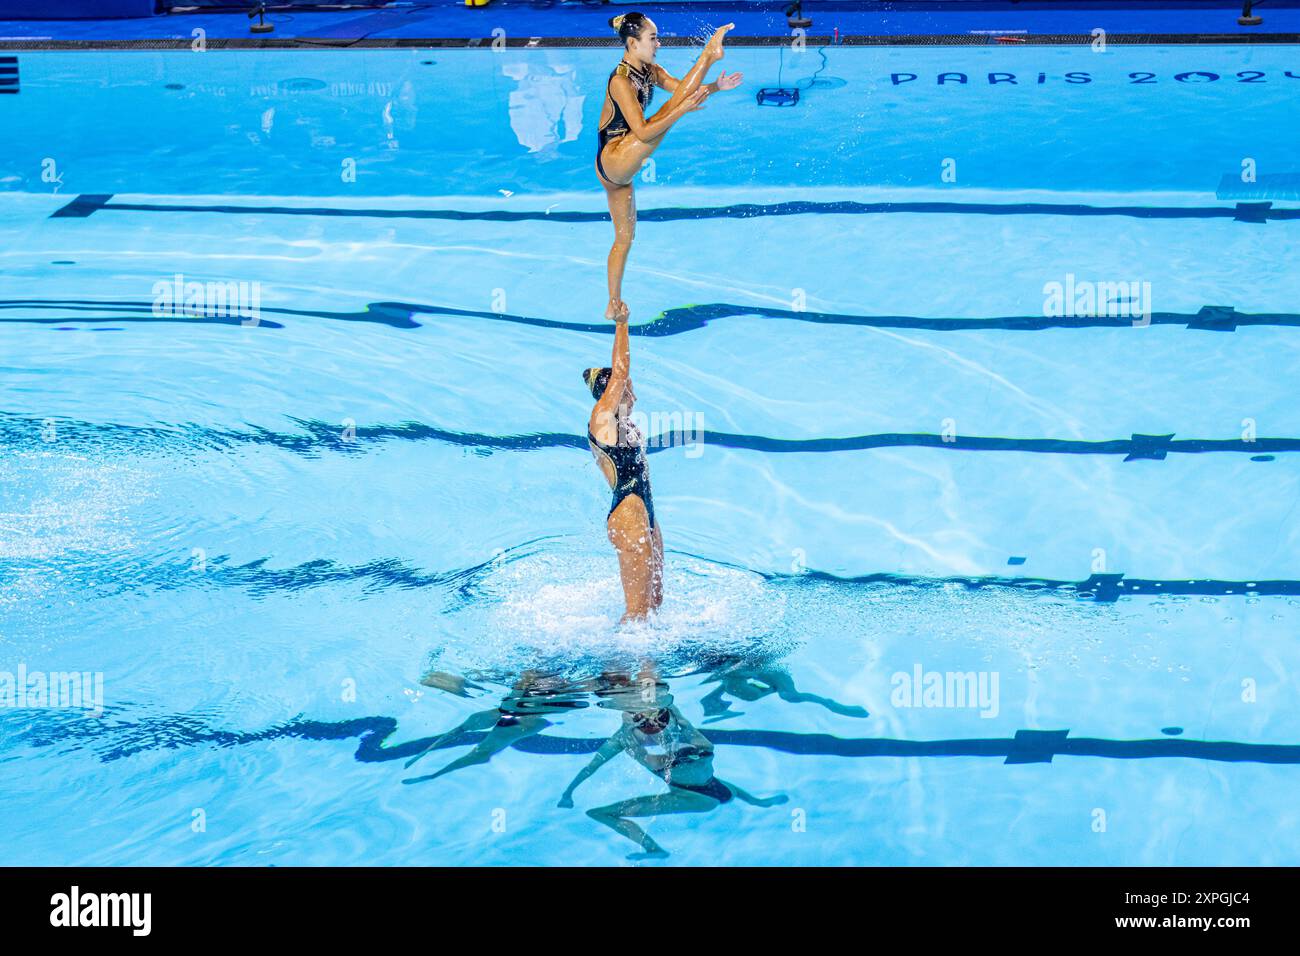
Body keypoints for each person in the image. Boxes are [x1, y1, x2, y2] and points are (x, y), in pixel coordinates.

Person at [596, 14, 743, 319]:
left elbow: (681, 91)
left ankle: (613, 303)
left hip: (619, 174)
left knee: (624, 240)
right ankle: (709, 54)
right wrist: (682, 112)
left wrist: (714, 87)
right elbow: (645, 132)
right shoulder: (621, 80)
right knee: (669, 111)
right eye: (653, 39)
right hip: (615, 158)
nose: (658, 44)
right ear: (633, 43)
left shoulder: (649, 70)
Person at [584, 302, 662, 621]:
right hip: (627, 511)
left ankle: (643, 664)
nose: (633, 394)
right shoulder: (602, 418)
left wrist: (655, 523)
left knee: (655, 602)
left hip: (645, 509)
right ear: (611, 392)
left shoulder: (625, 426)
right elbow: (621, 371)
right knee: (638, 613)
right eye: (626, 389)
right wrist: (622, 324)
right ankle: (620, 671)